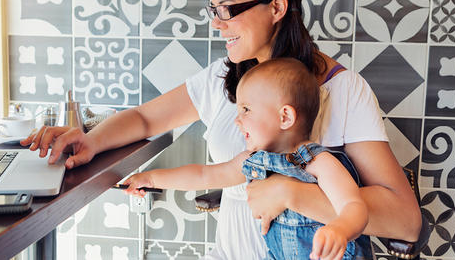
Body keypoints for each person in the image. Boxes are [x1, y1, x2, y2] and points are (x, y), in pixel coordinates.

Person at [21, 0, 421, 259]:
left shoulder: (343, 90)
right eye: (215, 9)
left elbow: (405, 221)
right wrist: (91, 141)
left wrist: (290, 193)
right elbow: (144, 119)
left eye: (228, 9)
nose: (216, 22)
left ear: (277, 7)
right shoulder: (222, 78)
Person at [122, 58, 371, 260]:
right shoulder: (254, 159)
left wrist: (339, 229)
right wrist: (151, 178)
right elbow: (205, 175)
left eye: (246, 109)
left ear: (284, 117)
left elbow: (354, 207)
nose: (237, 119)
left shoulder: (318, 162)